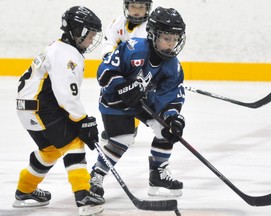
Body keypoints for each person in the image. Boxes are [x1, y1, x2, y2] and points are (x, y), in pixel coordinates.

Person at [14, 6, 105, 215]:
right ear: (76, 30)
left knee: (50, 150)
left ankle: (25, 191)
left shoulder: (59, 48)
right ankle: (84, 197)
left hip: (28, 107)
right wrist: (82, 120)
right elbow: (66, 94)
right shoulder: (66, 53)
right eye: (89, 35)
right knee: (74, 142)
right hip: (41, 106)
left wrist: (79, 119)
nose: (91, 40)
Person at [90, 6, 186, 198]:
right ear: (152, 35)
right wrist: (122, 87)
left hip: (143, 99)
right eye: (167, 38)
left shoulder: (173, 66)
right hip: (115, 100)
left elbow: (169, 97)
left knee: (166, 129)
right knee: (123, 139)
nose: (171, 44)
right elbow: (104, 72)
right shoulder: (133, 48)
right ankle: (96, 175)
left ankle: (157, 175)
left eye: (175, 39)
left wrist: (172, 117)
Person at [99, 0, 153, 142]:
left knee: (137, 98)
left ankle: (132, 125)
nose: (137, 10)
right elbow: (109, 44)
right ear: (127, 7)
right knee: (110, 93)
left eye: (141, 7)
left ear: (147, 8)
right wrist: (114, 67)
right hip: (119, 68)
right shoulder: (118, 22)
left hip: (140, 71)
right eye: (133, 6)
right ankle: (115, 124)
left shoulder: (150, 27)